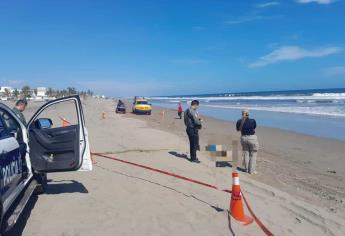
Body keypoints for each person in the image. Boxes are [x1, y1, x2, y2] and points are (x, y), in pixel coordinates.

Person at [236, 109, 259, 174]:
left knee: (246, 153)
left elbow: (238, 129)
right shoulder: (252, 120)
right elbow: (254, 127)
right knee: (253, 154)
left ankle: (246, 169)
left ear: (242, 114)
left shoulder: (239, 121)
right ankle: (251, 171)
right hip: (252, 138)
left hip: (243, 138)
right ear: (248, 114)